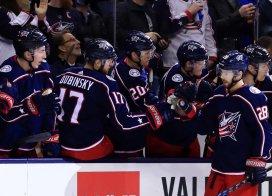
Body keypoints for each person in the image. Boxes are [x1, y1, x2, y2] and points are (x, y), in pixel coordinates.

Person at [184, 50, 272, 196]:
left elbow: (265, 131)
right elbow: (203, 126)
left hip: (240, 169)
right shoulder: (218, 96)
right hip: (218, 168)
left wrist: (258, 160)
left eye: (226, 71)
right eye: (221, 70)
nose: (222, 75)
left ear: (240, 73)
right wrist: (187, 109)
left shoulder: (252, 96)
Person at [55, 38, 173, 160]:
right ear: (97, 62)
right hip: (89, 147)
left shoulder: (63, 74)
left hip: (63, 144)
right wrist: (152, 116)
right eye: (110, 60)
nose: (112, 64)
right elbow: (123, 122)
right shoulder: (106, 83)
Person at [0, 26, 59, 158]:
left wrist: (50, 132)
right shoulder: (8, 75)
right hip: (5, 146)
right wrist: (30, 106)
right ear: (28, 54)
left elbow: (50, 103)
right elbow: (4, 116)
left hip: (29, 142)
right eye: (41, 51)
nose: (44, 56)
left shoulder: (43, 67)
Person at [145, 40, 210, 158]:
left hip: (188, 137)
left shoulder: (196, 71)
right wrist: (198, 106)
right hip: (167, 139)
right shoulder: (173, 79)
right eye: (201, 62)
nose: (204, 65)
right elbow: (179, 108)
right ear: (189, 63)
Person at [153, 0, 218, 69]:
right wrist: (188, 14)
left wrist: (211, 55)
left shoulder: (202, 1)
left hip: (200, 62)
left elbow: (208, 30)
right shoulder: (164, 2)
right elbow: (165, 29)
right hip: (174, 64)